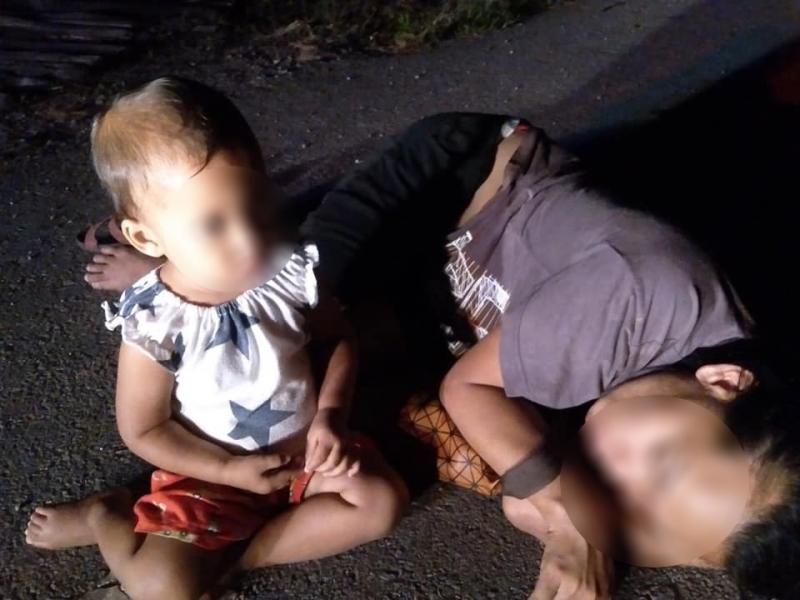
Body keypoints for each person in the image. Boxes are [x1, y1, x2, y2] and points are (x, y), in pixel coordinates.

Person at [73, 107, 800, 598]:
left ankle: (214, 241)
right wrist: (568, 515)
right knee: (288, 301)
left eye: (654, 521)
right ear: (723, 380)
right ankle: (174, 266)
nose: (622, 492)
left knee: (357, 379)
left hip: (461, 302)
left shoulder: (699, 428)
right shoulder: (638, 299)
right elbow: (470, 392)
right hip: (461, 183)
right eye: (662, 467)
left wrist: (569, 510)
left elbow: (531, 487)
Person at [24, 77, 408, 600]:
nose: (248, 238)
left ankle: (238, 557)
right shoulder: (157, 321)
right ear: (145, 236)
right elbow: (144, 429)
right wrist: (227, 469)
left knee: (381, 502)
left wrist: (331, 417)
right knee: (162, 589)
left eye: (254, 204)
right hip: (211, 478)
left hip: (307, 457)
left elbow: (337, 340)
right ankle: (105, 515)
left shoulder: (288, 272)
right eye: (213, 224)